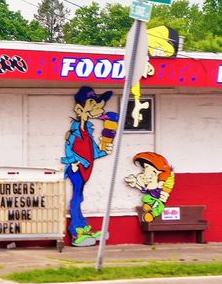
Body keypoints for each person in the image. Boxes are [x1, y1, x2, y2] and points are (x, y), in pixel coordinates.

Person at [61, 86, 113, 246]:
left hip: (85, 171)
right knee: (76, 198)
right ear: (79, 108)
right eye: (93, 104)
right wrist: (76, 162)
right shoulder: (74, 130)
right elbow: (69, 151)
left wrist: (105, 150)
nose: (97, 109)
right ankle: (76, 231)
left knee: (79, 197)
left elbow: (93, 152)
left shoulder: (88, 131)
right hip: (76, 170)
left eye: (98, 105)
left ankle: (83, 227)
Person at [124, 152, 175, 222]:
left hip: (159, 201)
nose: (143, 172)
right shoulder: (151, 185)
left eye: (146, 168)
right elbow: (145, 189)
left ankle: (152, 214)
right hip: (152, 198)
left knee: (160, 207)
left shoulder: (160, 184)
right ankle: (149, 205)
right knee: (146, 198)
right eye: (144, 169)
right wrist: (136, 183)